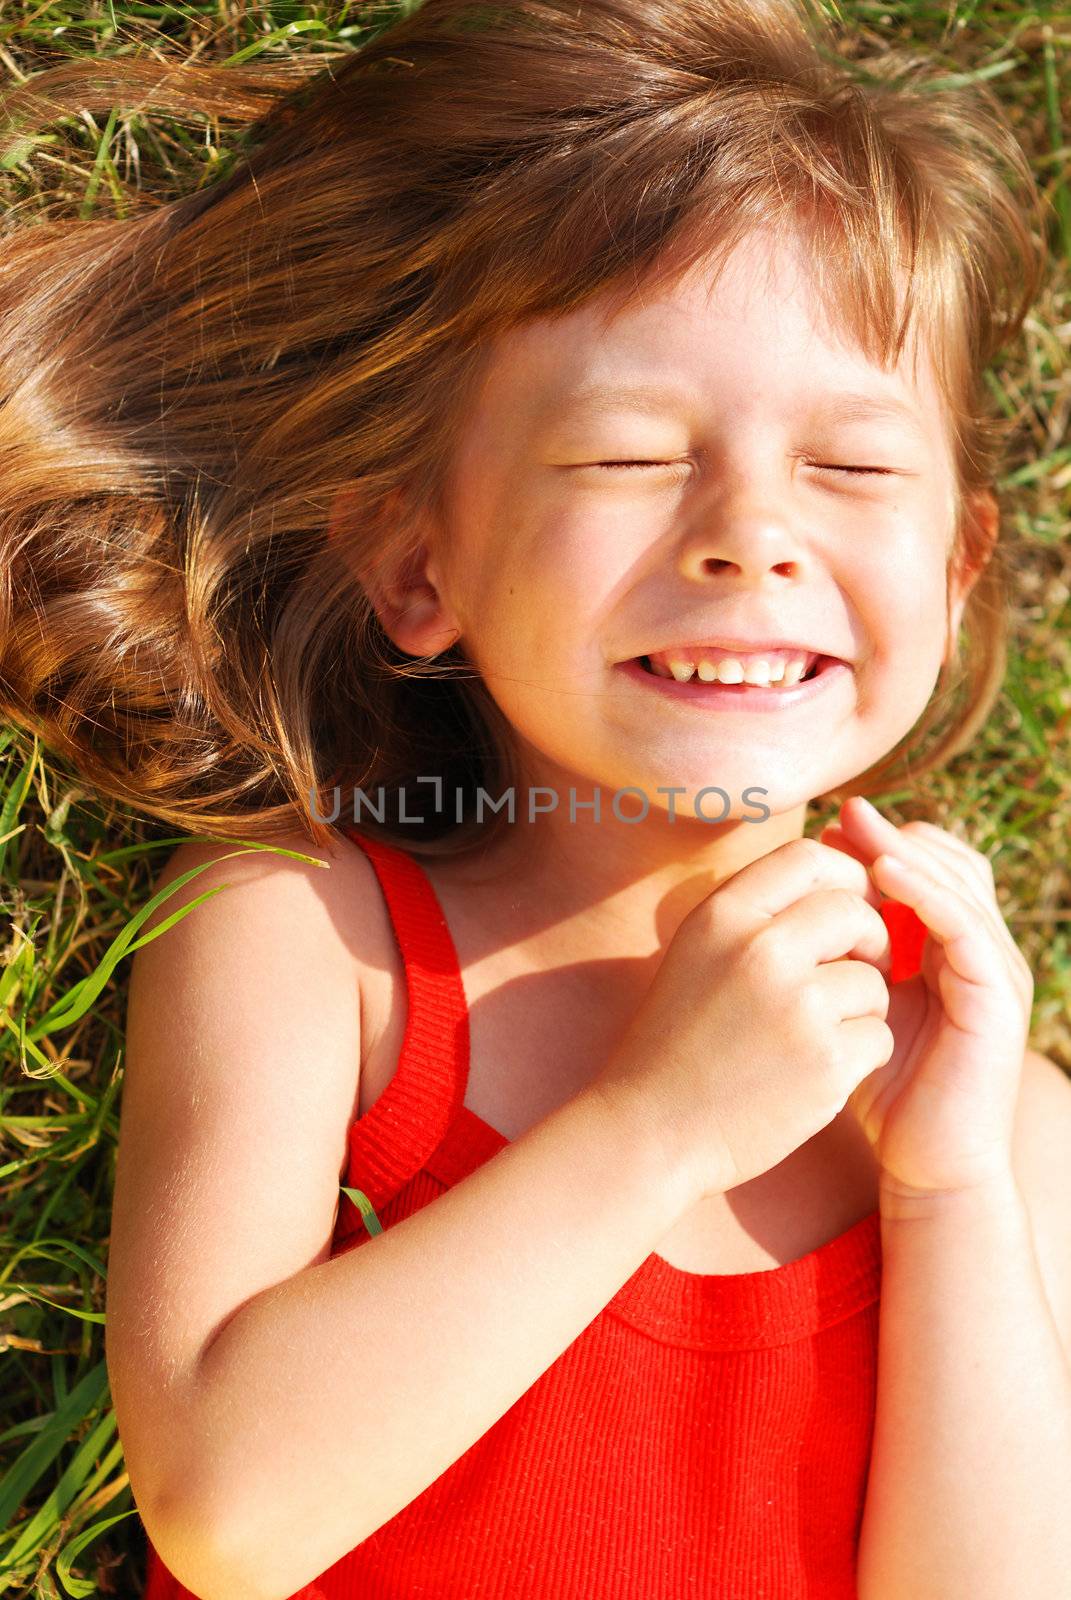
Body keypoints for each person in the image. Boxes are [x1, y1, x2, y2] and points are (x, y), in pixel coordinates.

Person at [2, 1, 1069, 1596]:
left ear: (957, 559)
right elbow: (228, 1513)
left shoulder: (1000, 1120)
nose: (751, 536)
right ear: (419, 566)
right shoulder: (315, 940)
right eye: (630, 456)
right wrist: (654, 1127)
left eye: (852, 470)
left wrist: (950, 1189)